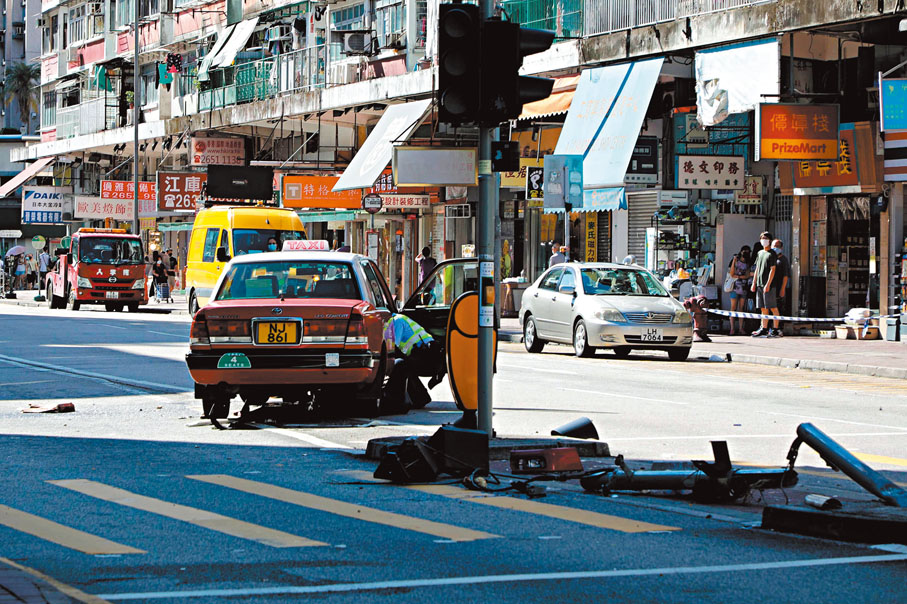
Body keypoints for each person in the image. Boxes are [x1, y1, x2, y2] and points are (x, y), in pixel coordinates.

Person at [384, 313, 444, 412]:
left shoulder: (395, 321)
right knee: (405, 365)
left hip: (427, 355)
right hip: (430, 355)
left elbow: (393, 347)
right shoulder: (399, 319)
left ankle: (397, 399)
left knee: (402, 365)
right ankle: (421, 397)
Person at [750, 232, 778, 337]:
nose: (763, 240)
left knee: (772, 307)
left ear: (770, 240)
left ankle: (775, 328)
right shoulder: (760, 253)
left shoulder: (772, 254)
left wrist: (768, 284)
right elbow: (757, 268)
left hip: (769, 285)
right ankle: (764, 328)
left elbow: (773, 270)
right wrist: (754, 282)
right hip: (759, 284)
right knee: (762, 307)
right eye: (762, 238)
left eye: (765, 238)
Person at [727, 245, 752, 336]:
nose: (745, 253)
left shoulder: (748, 262)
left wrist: (738, 276)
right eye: (744, 251)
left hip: (744, 287)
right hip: (735, 287)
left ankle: (741, 328)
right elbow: (731, 273)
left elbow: (747, 275)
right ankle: (732, 328)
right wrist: (734, 261)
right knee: (733, 308)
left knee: (741, 308)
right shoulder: (735, 261)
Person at [771, 239, 790, 337]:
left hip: (779, 288)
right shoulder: (770, 257)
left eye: (777, 246)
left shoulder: (783, 260)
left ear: (781, 248)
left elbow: (786, 276)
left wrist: (783, 289)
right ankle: (769, 328)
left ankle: (778, 329)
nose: (775, 248)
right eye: (774, 245)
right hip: (770, 288)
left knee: (779, 308)